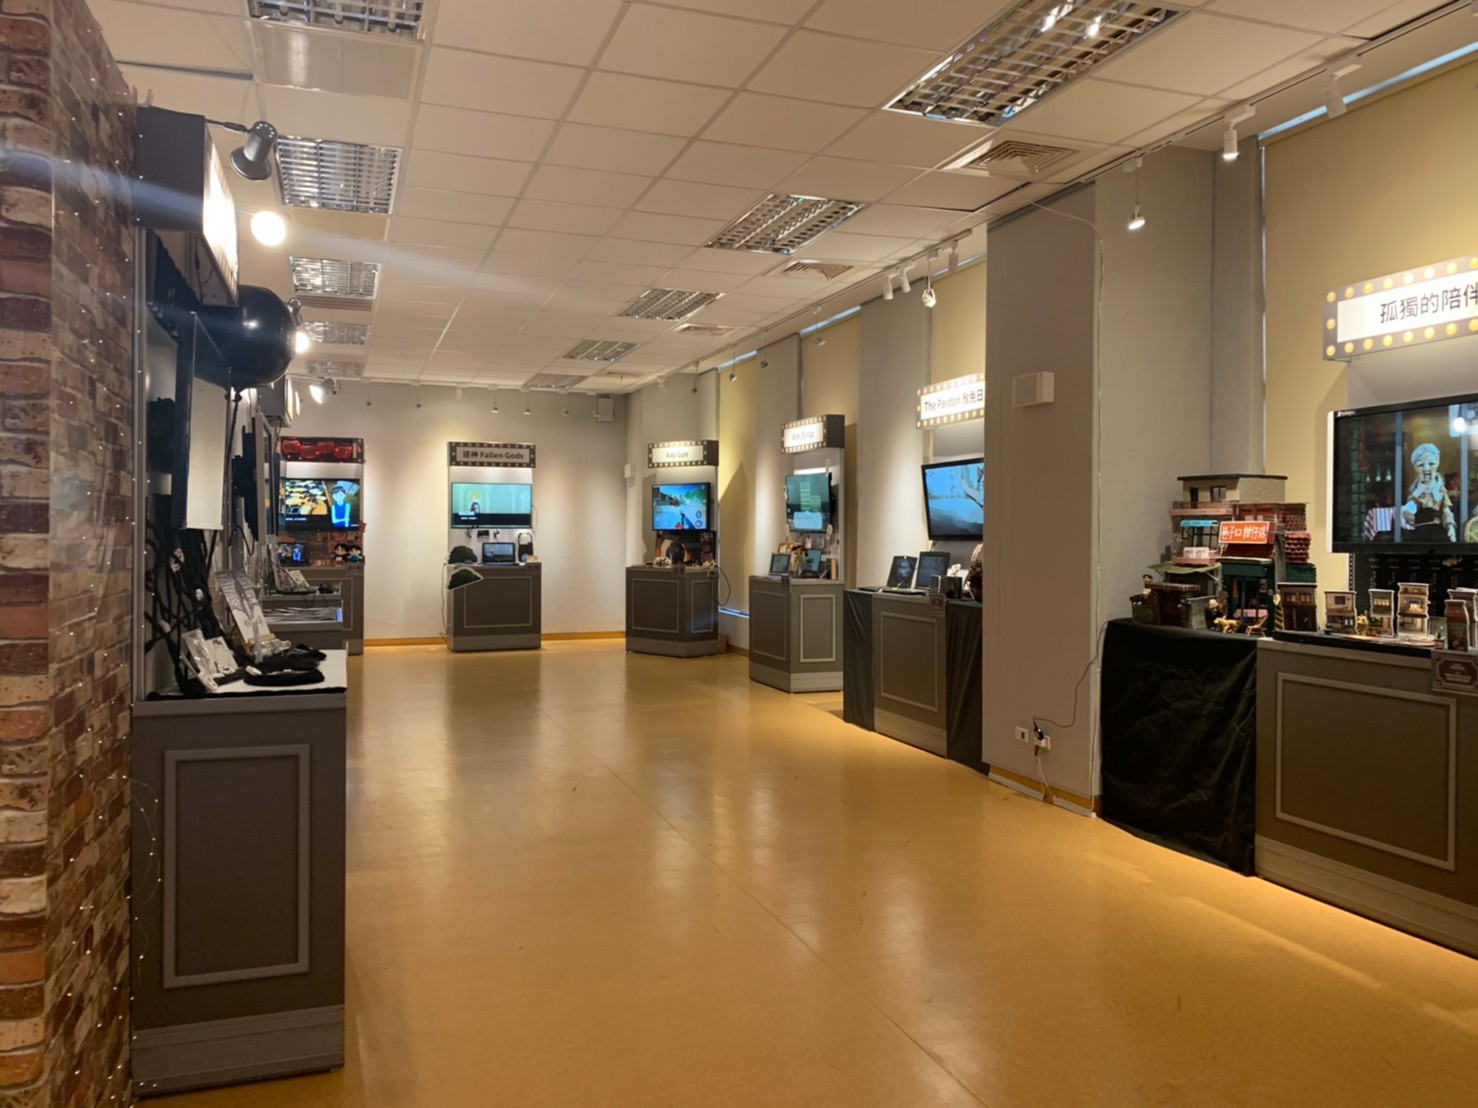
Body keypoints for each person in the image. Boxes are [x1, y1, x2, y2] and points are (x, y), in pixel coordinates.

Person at [1400, 443, 1455, 542]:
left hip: (1438, 534)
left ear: (1437, 463)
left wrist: (1450, 526)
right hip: (1419, 534)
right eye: (1421, 465)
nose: (1426, 468)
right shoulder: (1416, 493)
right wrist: (1407, 515)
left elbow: (1446, 511)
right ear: (1415, 467)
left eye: (1431, 463)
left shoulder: (1440, 491)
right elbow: (1409, 512)